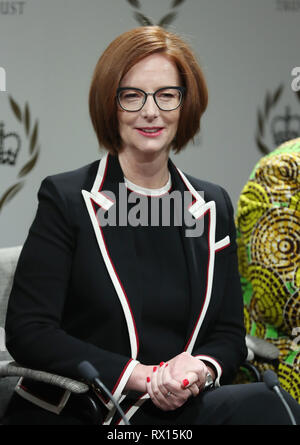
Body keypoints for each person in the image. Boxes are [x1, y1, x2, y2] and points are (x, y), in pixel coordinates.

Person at [3, 26, 300, 425]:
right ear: (111, 105)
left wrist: (200, 370)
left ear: (185, 105)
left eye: (166, 95)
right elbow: (29, 330)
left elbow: (229, 334)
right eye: (132, 96)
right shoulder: (67, 199)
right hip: (90, 410)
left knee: (270, 405)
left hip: (180, 409)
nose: (150, 110)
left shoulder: (212, 205)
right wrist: (141, 377)